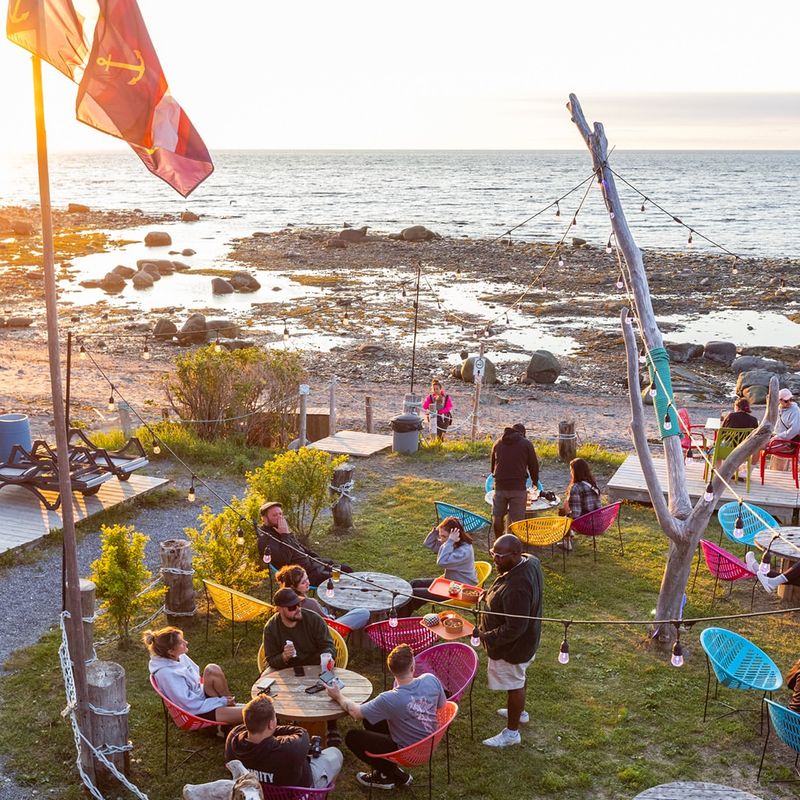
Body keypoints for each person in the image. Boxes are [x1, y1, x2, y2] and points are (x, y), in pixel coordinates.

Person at [325, 643, 446, 790]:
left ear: (392, 671)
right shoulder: (430, 679)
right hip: (430, 741)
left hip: (408, 752)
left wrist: (338, 695)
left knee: (352, 737)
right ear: (413, 667)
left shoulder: (389, 699)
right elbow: (441, 705)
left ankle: (391, 774)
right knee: (370, 718)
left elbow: (356, 713)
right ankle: (387, 772)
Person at [476, 533, 543, 748]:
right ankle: (520, 712)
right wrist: (490, 593)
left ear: (515, 554)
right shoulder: (529, 560)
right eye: (493, 554)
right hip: (529, 640)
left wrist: (486, 636)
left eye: (499, 556)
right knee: (519, 677)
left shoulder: (518, 588)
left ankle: (512, 733)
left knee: (514, 683)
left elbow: (515, 627)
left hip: (514, 648)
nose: (495, 559)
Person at [262, 587, 341, 745]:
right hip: (287, 667)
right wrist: (284, 657)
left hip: (315, 663)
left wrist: (326, 659)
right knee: (264, 685)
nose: (298, 609)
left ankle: (332, 725)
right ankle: (274, 723)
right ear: (279, 609)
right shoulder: (271, 628)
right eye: (292, 607)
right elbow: (271, 659)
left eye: (298, 604)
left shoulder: (312, 619)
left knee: (332, 682)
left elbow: (328, 646)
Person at [225, 695, 343, 788]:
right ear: (271, 724)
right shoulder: (289, 748)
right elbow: (301, 732)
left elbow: (241, 729)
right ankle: (321, 794)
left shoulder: (232, 740)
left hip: (256, 791)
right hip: (297, 793)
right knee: (335, 753)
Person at [144, 626, 243, 725]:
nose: (186, 643)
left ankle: (230, 706)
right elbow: (189, 704)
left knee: (212, 669)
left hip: (201, 697)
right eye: (181, 643)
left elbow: (196, 678)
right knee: (254, 713)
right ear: (170, 651)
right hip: (197, 711)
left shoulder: (178, 656)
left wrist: (222, 700)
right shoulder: (166, 674)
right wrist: (221, 701)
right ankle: (230, 712)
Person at [256, 501, 352, 585]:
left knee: (347, 570)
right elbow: (284, 559)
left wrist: (317, 558)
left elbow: (299, 546)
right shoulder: (266, 539)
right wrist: (285, 534)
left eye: (280, 514)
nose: (279, 517)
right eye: (274, 515)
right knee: (344, 579)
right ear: (264, 519)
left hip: (315, 565)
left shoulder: (279, 529)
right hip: (304, 575)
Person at [406, 516, 477, 611]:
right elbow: (429, 543)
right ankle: (400, 612)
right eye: (440, 536)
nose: (441, 539)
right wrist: (438, 529)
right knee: (414, 583)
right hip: (450, 583)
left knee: (414, 593)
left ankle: (398, 618)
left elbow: (442, 562)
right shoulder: (453, 543)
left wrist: (450, 541)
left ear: (456, 535)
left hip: (460, 589)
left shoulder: (464, 551)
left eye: (444, 536)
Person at [276, 564, 370, 630]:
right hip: (328, 631)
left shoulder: (284, 600)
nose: (308, 583)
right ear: (293, 587)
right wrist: (331, 617)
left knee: (329, 607)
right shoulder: (308, 603)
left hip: (312, 628)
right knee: (363, 612)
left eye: (307, 578)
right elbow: (327, 622)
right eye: (303, 582)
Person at [490, 423, 539, 540]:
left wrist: (495, 477)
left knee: (498, 516)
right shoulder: (526, 444)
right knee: (518, 521)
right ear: (523, 434)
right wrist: (535, 481)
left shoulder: (498, 443)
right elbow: (533, 465)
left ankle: (498, 542)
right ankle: (515, 546)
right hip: (518, 487)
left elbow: (493, 466)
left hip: (500, 485)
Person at [559, 458, 602, 551]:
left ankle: (567, 542)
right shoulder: (593, 484)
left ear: (575, 471)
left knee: (562, 511)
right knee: (566, 507)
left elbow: (575, 514)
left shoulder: (576, 487)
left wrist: (566, 510)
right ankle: (569, 535)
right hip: (599, 522)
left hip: (586, 524)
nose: (570, 473)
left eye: (571, 470)